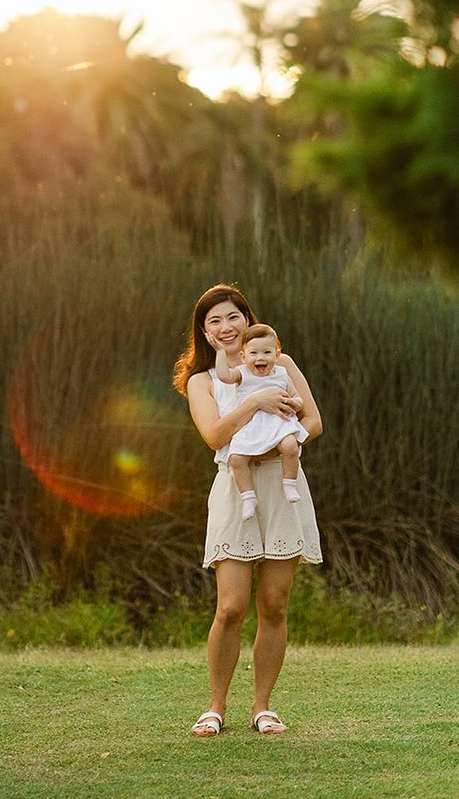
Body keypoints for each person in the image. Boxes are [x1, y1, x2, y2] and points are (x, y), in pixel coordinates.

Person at [172, 283, 322, 738]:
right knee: (232, 606)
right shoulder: (204, 380)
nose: (225, 327)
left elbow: (314, 421)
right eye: (213, 321)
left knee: (274, 603)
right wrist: (256, 401)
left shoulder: (281, 363)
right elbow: (215, 435)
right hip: (235, 490)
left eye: (232, 317)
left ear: (247, 318)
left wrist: (286, 437)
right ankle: (216, 707)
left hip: (282, 481)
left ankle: (262, 707)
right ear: (204, 331)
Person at [214, 323, 307, 521]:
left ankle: (289, 483)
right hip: (251, 426)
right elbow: (223, 375)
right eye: (254, 353)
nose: (260, 357)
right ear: (243, 356)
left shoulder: (282, 374)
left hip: (278, 423)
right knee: (237, 459)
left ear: (277, 353)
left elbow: (299, 399)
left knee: (290, 446)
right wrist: (220, 352)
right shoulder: (242, 373)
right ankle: (248, 497)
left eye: (267, 352)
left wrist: (293, 403)